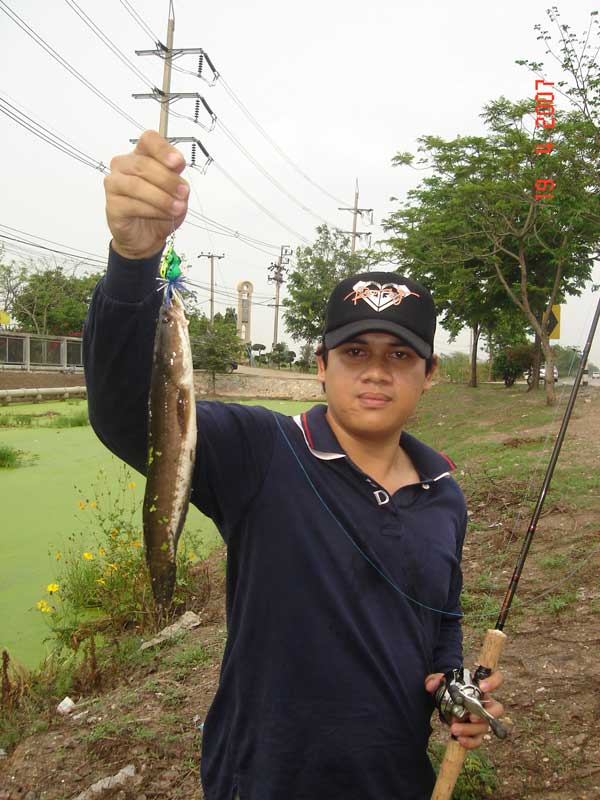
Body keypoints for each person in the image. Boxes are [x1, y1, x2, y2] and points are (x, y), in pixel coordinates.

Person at [84, 131, 503, 800]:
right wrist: (133, 265)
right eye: (354, 352)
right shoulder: (259, 451)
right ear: (321, 366)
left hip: (392, 780)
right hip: (263, 780)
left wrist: (451, 685)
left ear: (430, 375)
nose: (374, 372)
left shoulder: (444, 495)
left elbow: (439, 615)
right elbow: (124, 412)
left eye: (399, 357)